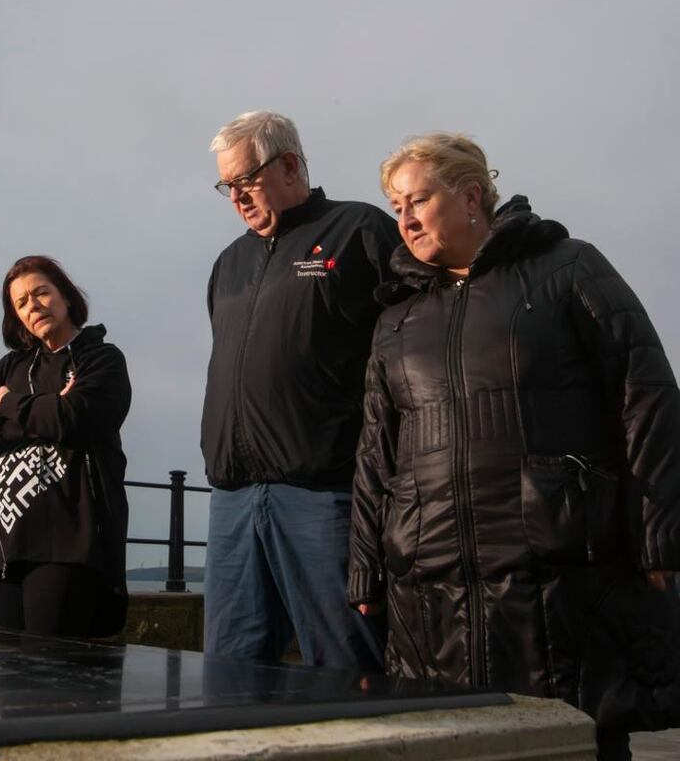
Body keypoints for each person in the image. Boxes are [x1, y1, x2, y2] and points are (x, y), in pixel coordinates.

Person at [347, 132, 680, 760]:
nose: (406, 219)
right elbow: (375, 451)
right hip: (432, 586)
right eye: (396, 207)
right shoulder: (396, 317)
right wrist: (364, 563)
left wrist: (657, 527)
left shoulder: (568, 269)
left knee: (574, 742)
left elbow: (647, 394)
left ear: (471, 195)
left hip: (559, 578)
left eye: (418, 200)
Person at [201, 110, 399, 670]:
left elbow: (410, 347)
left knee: (347, 669)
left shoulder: (359, 230)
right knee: (229, 676)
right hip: (233, 497)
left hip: (324, 494)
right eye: (226, 185)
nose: (236, 196)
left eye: (245, 179)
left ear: (289, 164)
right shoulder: (229, 262)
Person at [0, 256, 131, 638]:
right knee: (14, 680)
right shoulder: (7, 369)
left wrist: (7, 403)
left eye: (41, 293)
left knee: (51, 667)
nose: (33, 306)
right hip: (4, 541)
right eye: (21, 302)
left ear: (65, 297)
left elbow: (75, 419)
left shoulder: (101, 358)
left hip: (67, 541)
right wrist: (43, 413)